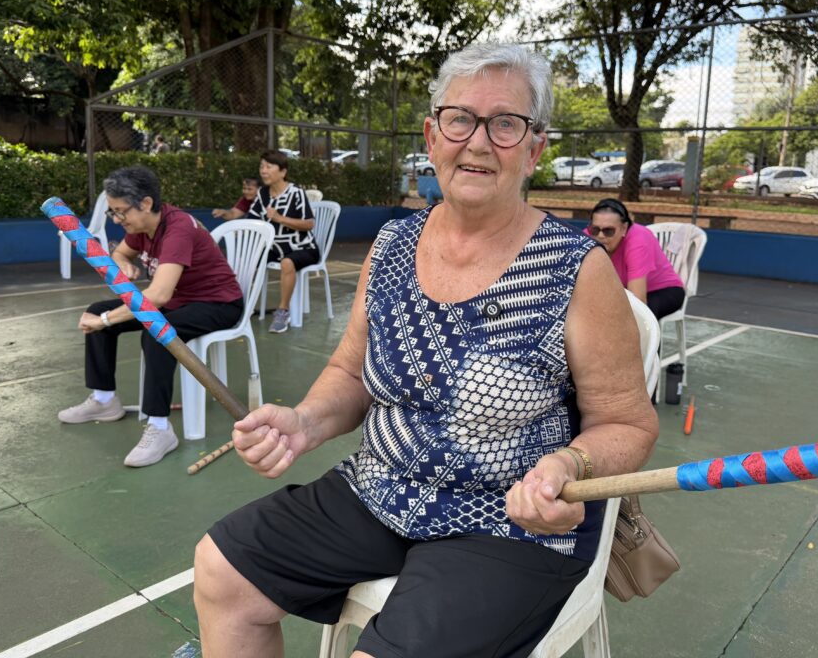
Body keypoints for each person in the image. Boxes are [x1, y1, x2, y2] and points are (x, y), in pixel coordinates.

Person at [193, 43, 659, 657]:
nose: (479, 141)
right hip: (380, 488)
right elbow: (351, 373)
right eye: (460, 118)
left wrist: (568, 466)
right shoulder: (392, 244)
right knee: (221, 569)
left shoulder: (578, 268)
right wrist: (305, 422)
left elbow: (627, 420)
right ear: (433, 134)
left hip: (508, 522)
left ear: (534, 148)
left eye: (507, 124)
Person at [56, 166, 244, 467]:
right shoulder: (142, 228)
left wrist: (105, 321)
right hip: (181, 301)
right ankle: (104, 401)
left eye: (121, 212)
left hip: (218, 304)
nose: (118, 220)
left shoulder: (178, 228)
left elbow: (158, 296)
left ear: (145, 203)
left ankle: (160, 427)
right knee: (96, 309)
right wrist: (123, 264)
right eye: (113, 213)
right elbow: (120, 253)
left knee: (155, 332)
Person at [245, 150, 319, 333]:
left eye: (269, 167)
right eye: (262, 166)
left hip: (303, 247)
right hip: (275, 247)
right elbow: (252, 219)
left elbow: (309, 224)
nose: (263, 171)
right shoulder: (262, 194)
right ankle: (240, 306)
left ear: (283, 172)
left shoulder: (296, 193)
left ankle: (283, 311)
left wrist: (279, 218)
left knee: (287, 262)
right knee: (247, 258)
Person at [585, 198, 686, 320]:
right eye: (595, 229)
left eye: (609, 231)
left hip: (663, 290)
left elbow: (638, 301)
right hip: (623, 291)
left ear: (624, 228)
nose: (600, 236)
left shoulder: (638, 242)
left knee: (641, 319)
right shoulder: (587, 236)